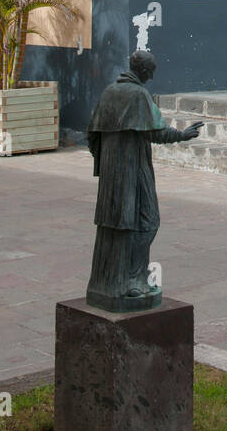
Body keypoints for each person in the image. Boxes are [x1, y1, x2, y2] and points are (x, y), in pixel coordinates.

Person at [86, 50, 202, 310]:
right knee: (146, 221)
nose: (152, 77)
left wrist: (106, 164)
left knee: (117, 223)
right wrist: (183, 135)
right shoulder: (138, 95)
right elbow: (156, 132)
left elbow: (92, 135)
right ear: (145, 72)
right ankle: (132, 279)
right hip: (133, 169)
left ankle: (110, 282)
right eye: (151, 72)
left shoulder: (109, 92)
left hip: (111, 174)